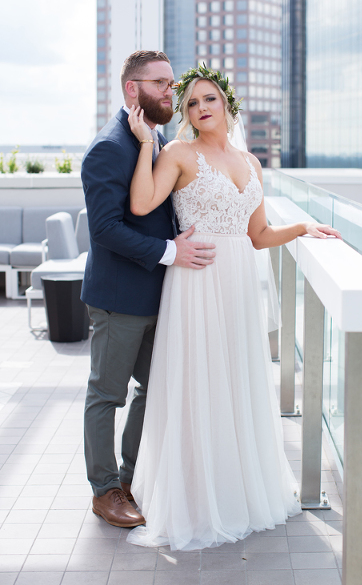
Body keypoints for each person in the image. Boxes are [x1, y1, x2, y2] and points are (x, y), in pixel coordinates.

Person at [126, 64, 342, 550]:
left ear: (227, 104)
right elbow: (141, 204)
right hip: (197, 281)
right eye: (192, 103)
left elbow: (259, 235)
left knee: (237, 380)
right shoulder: (179, 152)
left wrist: (304, 228)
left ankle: (237, 488)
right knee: (199, 382)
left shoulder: (252, 162)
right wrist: (146, 143)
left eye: (209, 99)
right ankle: (197, 499)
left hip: (239, 285)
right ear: (186, 113)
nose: (201, 109)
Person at [81, 51, 215, 528]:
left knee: (154, 389)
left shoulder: (157, 138)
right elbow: (105, 230)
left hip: (161, 296)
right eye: (161, 83)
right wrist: (169, 252)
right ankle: (105, 491)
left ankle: (132, 478)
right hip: (120, 299)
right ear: (132, 90)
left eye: (172, 82)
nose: (171, 91)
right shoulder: (108, 148)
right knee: (107, 395)